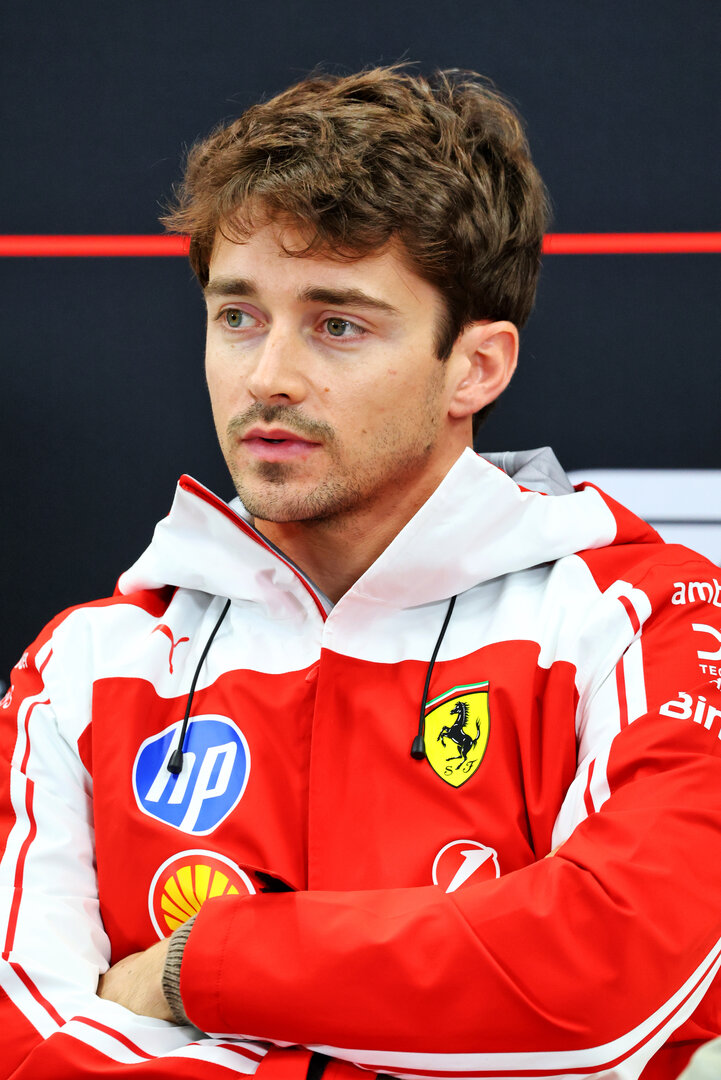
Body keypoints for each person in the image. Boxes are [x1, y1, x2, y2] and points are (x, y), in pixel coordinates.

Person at [1, 66, 720, 1080]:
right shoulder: (83, 666)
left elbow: (617, 981)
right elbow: (27, 1045)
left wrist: (196, 969)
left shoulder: (637, 615)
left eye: (337, 324)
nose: (267, 376)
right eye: (238, 316)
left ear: (476, 366)